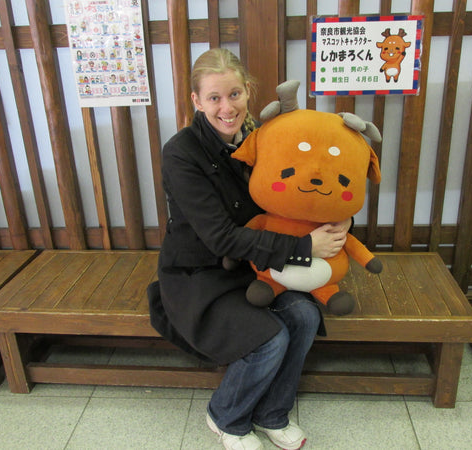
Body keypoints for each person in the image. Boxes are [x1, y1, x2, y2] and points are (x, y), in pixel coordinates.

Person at [148, 48, 350, 450]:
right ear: (197, 101)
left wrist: (338, 220)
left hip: (256, 268)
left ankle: (272, 413)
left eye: (235, 94)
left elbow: (307, 190)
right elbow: (221, 237)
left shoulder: (267, 135)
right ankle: (225, 415)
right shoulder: (181, 152)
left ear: (248, 92)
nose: (227, 107)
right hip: (199, 274)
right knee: (269, 337)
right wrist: (304, 246)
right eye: (215, 98)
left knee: (305, 316)